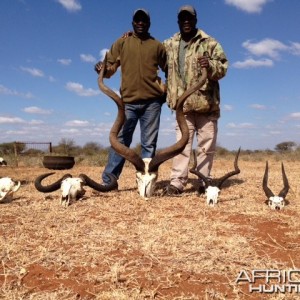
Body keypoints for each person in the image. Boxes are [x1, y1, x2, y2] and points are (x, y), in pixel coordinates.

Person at [94, 8, 167, 189]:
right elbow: (110, 67)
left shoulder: (157, 46)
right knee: (120, 142)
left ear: (149, 23)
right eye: (137, 20)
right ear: (133, 22)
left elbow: (169, 69)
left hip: (152, 102)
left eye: (144, 20)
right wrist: (102, 68)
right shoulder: (122, 42)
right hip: (127, 103)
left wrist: (165, 92)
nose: (140, 23)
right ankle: (109, 180)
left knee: (148, 144)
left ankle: (146, 183)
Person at [163, 5, 228, 195]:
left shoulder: (210, 42)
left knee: (206, 147)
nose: (186, 21)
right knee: (181, 146)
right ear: (178, 21)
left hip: (206, 105)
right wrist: (131, 38)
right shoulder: (169, 44)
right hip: (182, 108)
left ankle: (203, 182)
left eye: (189, 18)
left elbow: (223, 67)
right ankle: (177, 183)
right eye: (182, 18)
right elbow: (152, 55)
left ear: (195, 20)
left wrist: (211, 65)